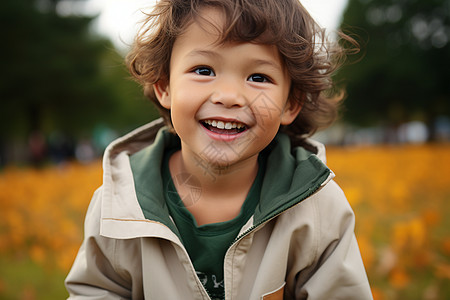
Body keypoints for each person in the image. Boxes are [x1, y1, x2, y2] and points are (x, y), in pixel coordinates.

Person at [65, 0, 372, 299]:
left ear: (290, 103)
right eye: (203, 70)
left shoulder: (317, 208)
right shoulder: (120, 204)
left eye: (257, 77)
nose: (228, 96)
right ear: (164, 86)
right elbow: (96, 290)